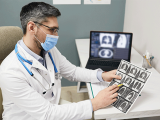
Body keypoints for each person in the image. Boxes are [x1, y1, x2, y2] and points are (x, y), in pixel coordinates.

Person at [0, 2, 121, 120]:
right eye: (52, 30)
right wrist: (95, 103)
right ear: (32, 27)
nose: (56, 36)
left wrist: (102, 75)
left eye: (56, 30)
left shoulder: (49, 50)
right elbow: (47, 114)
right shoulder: (10, 72)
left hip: (53, 106)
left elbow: (72, 72)